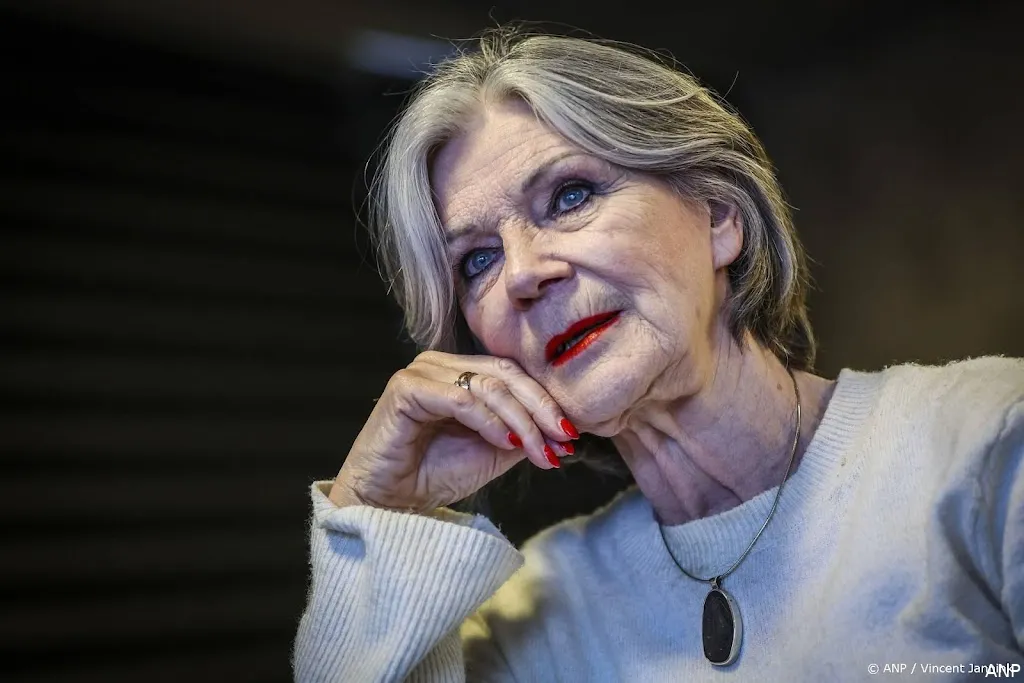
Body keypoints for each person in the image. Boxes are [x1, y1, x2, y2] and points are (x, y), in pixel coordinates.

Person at [291, 27, 1024, 682]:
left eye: (570, 196)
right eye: (476, 261)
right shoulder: (533, 615)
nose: (521, 275)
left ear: (719, 216)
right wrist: (374, 513)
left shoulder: (987, 444)